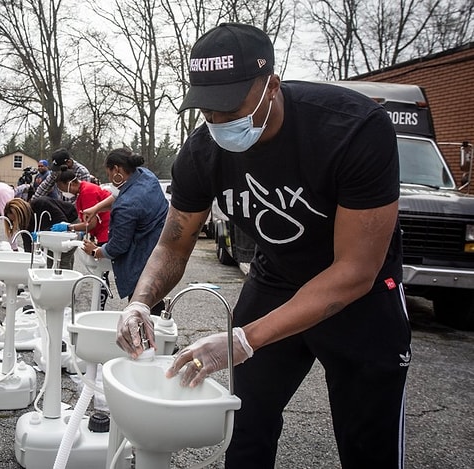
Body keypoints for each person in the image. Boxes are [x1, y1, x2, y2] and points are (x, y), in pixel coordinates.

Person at [115, 23, 411, 469]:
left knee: (368, 438)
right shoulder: (201, 153)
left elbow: (355, 270)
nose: (218, 122)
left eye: (230, 106)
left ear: (272, 84)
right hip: (276, 277)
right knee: (244, 419)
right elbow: (174, 244)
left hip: (361, 296)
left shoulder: (352, 128)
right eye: (207, 110)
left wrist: (243, 338)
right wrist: (139, 302)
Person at [81, 148, 168, 314]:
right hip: (160, 248)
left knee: (140, 310)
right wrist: (96, 208)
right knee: (154, 300)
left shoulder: (126, 206)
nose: (109, 178)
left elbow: (118, 246)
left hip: (142, 260)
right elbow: (122, 195)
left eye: (108, 173)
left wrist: (96, 251)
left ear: (117, 169)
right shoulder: (146, 176)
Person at [53, 168, 112, 308]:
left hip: (107, 231)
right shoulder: (83, 191)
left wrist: (69, 227)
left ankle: (99, 307)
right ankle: (98, 307)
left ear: (71, 183)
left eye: (62, 188)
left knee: (102, 270)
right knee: (101, 271)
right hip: (103, 231)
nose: (62, 192)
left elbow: (91, 223)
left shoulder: (87, 192)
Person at [2, 196, 79, 270]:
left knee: (62, 260)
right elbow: (28, 245)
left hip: (71, 224)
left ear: (21, 213)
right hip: (52, 231)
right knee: (49, 260)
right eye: (13, 221)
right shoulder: (23, 222)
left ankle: (65, 282)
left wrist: (41, 234)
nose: (16, 222)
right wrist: (29, 262)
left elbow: (62, 223)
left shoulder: (42, 203)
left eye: (16, 219)